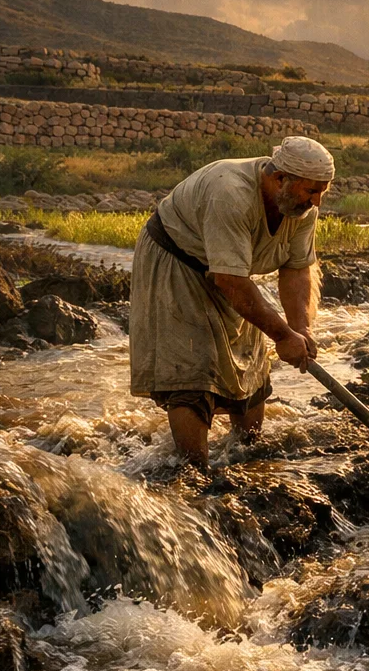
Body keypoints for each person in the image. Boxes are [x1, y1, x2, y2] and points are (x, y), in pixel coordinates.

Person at [130, 136, 332, 467]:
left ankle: (247, 455)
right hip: (178, 261)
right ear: (280, 178)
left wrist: (300, 329)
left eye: (323, 191)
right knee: (191, 366)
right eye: (311, 191)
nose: (318, 201)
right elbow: (230, 281)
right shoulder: (230, 193)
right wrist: (282, 336)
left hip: (230, 272)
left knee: (252, 361)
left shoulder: (301, 209)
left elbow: (296, 270)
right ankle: (193, 470)